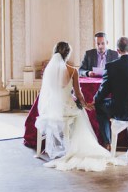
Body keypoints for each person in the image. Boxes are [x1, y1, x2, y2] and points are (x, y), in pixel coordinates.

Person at [35, 41, 118, 171]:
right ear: (68, 54)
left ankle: (53, 149)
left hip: (51, 108)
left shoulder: (48, 70)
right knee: (80, 114)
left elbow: (49, 92)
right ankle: (76, 147)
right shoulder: (73, 71)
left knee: (77, 110)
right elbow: (79, 94)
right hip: (66, 108)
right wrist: (86, 105)